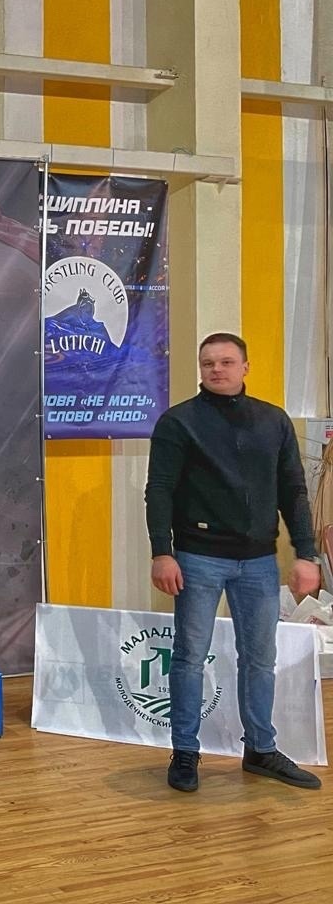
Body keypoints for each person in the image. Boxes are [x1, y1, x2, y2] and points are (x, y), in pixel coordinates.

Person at [146, 332, 322, 792]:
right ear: (200, 369)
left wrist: (306, 554)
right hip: (197, 558)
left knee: (260, 659)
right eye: (208, 363)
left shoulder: (273, 420)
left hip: (259, 562)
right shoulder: (179, 422)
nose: (216, 370)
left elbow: (294, 492)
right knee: (189, 658)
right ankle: (185, 752)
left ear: (245, 366)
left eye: (226, 362)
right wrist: (161, 551)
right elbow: (159, 489)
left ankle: (261, 750)